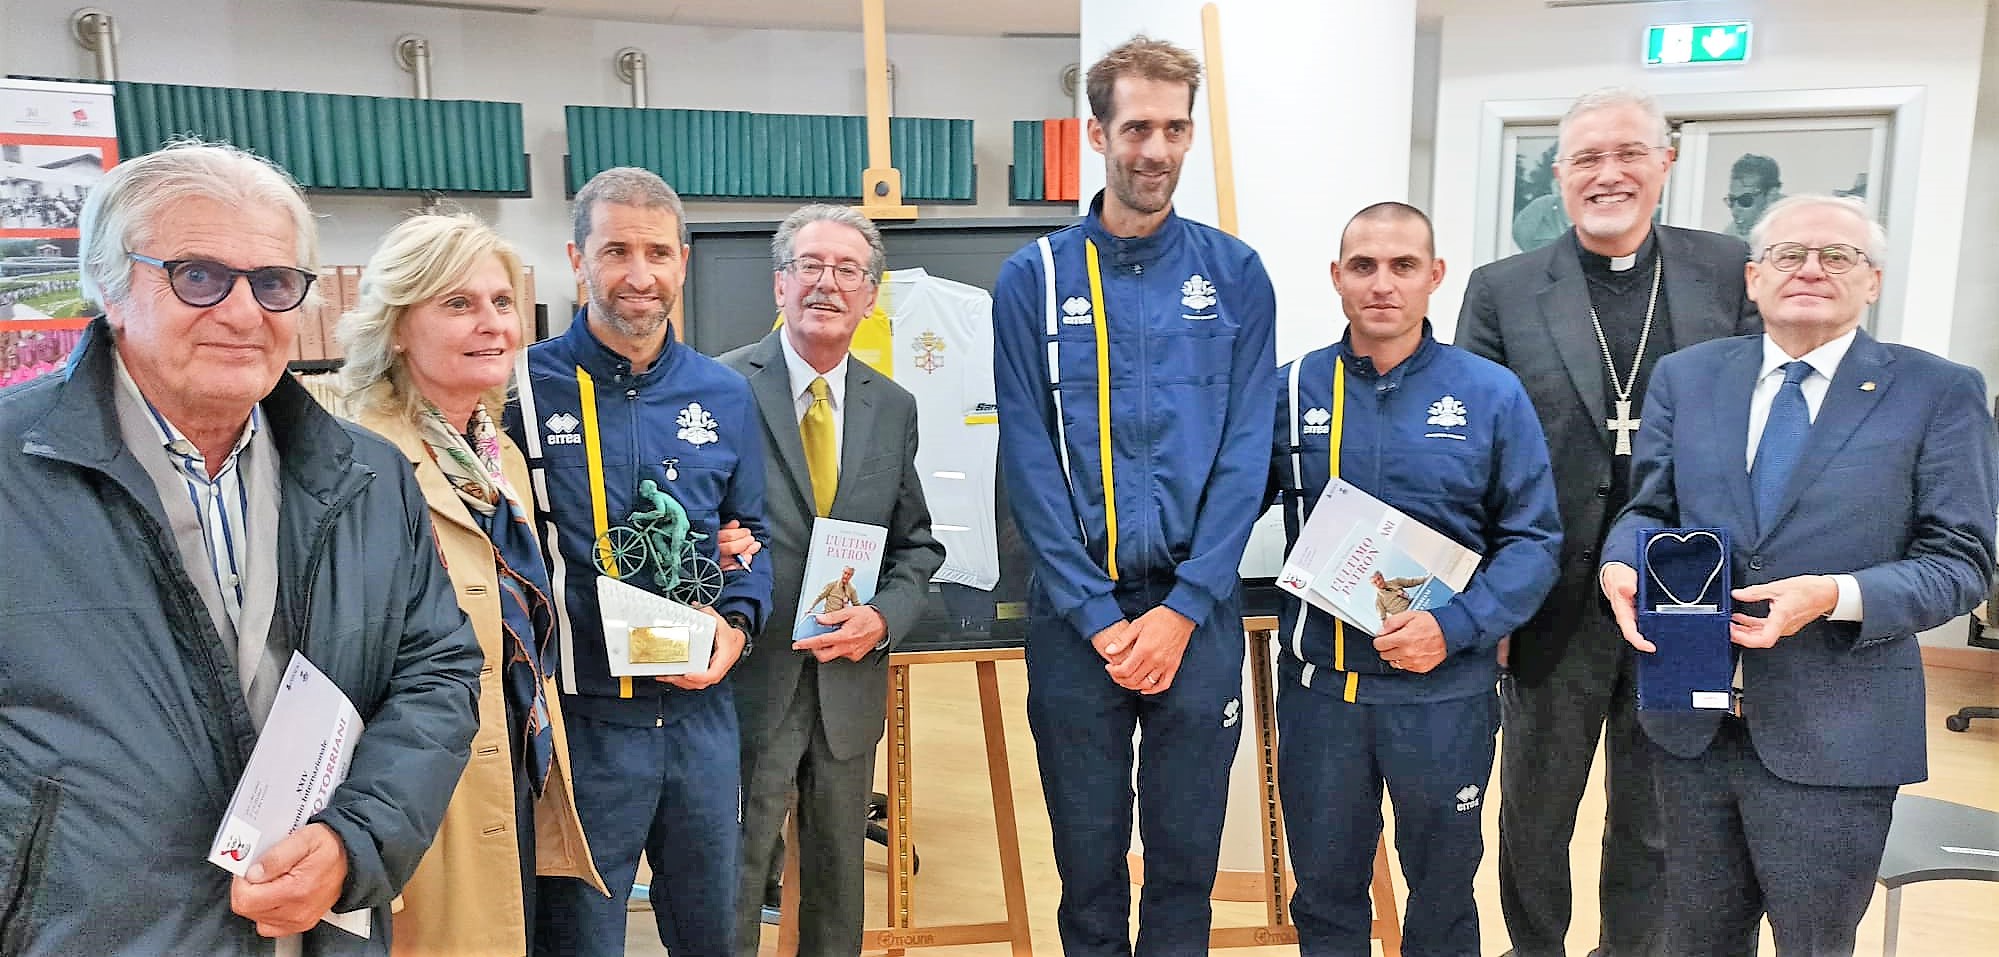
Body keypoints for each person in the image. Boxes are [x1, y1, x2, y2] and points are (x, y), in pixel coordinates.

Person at [0, 141, 480, 954]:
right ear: (112, 288)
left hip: (317, 924)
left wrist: (352, 841)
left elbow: (436, 672)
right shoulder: (17, 472)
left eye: (272, 282)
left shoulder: (369, 477)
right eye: (197, 276)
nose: (242, 311)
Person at [1600, 194, 1998, 956]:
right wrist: (1622, 559)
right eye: (1788, 254)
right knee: (1691, 937)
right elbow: (1647, 508)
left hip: (1835, 732)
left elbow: (1960, 562)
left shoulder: (1938, 392)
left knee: (1813, 942)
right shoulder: (1688, 378)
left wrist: (1835, 596)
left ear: (1871, 281)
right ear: (1753, 277)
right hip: (1693, 725)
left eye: (1836, 256)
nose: (1809, 269)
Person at [1455, 86, 1760, 957]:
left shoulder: (1725, 268)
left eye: (1628, 152)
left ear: (1665, 163)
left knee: (1658, 806)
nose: (1608, 173)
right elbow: (1474, 458)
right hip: (1545, 593)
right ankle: (1535, 946)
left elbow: (1755, 426)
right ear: (1558, 175)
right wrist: (1489, 605)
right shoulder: (1502, 289)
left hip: (1685, 590)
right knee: (1534, 805)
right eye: (1586, 158)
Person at [992, 35, 1277, 956]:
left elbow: (1245, 456)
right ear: (1097, 133)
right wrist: (1098, 615)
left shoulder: (1235, 275)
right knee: (1086, 863)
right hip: (1079, 623)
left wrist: (1186, 607)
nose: (1155, 148)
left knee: (1185, 863)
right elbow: (1028, 458)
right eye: (1137, 127)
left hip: (1196, 618)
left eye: (1174, 128)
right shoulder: (1030, 279)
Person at [1272, 202, 1561, 957]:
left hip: (1444, 695)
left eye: (1402, 266)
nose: (1381, 284)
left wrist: (1455, 627)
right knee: (1325, 892)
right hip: (1321, 696)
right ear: (1336, 277)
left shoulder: (1490, 393)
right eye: (1362, 266)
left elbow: (1533, 541)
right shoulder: (1291, 389)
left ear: (1434, 277)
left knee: (1440, 890)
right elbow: (1220, 506)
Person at [508, 166, 773, 957]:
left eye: (657, 252)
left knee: (711, 933)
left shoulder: (723, 393)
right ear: (576, 258)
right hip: (582, 722)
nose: (638, 274)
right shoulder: (522, 387)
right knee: (582, 939)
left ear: (682, 262)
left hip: (701, 722)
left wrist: (735, 623)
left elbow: (747, 530)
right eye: (615, 250)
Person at [330, 212, 604, 956]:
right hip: (417, 784)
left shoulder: (499, 458)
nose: (492, 324)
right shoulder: (356, 463)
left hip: (513, 759)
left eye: (501, 302)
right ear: (395, 326)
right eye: (457, 304)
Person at [719, 203, 944, 957]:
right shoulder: (720, 389)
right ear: (779, 283)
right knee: (734, 876)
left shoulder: (893, 406)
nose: (827, 283)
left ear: (870, 294)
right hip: (747, 679)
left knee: (839, 881)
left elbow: (917, 547)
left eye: (847, 269)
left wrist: (882, 616)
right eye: (809, 266)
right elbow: (679, 533)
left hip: (846, 684)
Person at [1724, 154, 1783, 241]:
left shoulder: (1795, 226)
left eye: (1745, 201)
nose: (1735, 211)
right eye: (1732, 200)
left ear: (1771, 195)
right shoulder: (1731, 234)